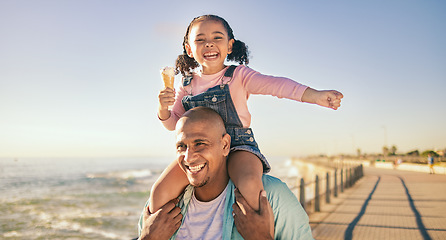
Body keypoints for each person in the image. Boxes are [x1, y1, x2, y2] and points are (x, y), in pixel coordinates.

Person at [152, 14, 344, 220]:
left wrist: (316, 96)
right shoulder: (185, 85)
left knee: (251, 184)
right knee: (159, 193)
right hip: (198, 151)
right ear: (189, 49)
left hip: (237, 146)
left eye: (217, 38)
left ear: (229, 45)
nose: (209, 44)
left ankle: (261, 231)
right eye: (200, 40)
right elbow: (174, 124)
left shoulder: (240, 76)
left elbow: (277, 85)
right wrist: (163, 109)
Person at [138, 107, 313, 239]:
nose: (189, 157)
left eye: (200, 143)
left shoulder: (271, 196)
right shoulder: (162, 209)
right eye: (181, 147)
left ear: (225, 145)